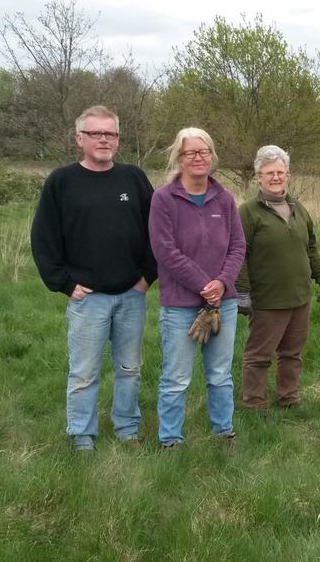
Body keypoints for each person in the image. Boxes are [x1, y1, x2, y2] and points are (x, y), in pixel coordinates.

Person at [31, 105, 157, 451]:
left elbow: (157, 231)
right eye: (95, 133)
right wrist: (64, 283)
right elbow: (44, 238)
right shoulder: (62, 181)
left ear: (118, 138)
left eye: (111, 133)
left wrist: (148, 276)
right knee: (84, 372)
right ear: (79, 138)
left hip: (132, 294)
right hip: (87, 298)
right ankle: (81, 434)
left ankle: (127, 428)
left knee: (130, 368)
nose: (104, 139)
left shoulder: (134, 178)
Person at [149, 128, 245, 448]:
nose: (198, 158)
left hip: (223, 303)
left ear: (212, 156)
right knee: (176, 378)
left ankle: (223, 434)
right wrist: (204, 284)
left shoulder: (225, 199)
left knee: (220, 375)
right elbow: (165, 250)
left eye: (204, 152)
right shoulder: (164, 200)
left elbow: (237, 246)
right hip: (180, 304)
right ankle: (171, 440)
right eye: (191, 153)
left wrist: (221, 283)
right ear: (179, 158)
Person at [236, 145, 320, 411]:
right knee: (259, 356)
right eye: (269, 173)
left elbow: (310, 247)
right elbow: (238, 253)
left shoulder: (299, 209)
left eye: (280, 172)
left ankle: (288, 397)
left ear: (287, 175)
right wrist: (242, 292)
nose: (276, 177)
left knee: (292, 353)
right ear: (259, 177)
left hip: (300, 297)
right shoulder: (248, 212)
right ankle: (254, 404)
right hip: (267, 299)